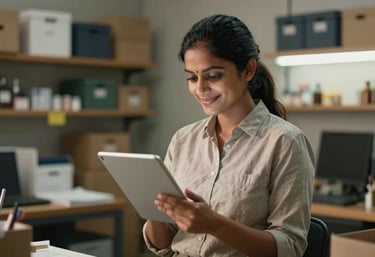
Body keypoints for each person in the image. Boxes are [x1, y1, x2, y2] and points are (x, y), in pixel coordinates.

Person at [143, 14, 315, 257]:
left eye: (213, 76)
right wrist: (153, 208)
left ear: (248, 70)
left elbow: (290, 247)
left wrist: (215, 225)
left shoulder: (285, 142)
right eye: (192, 77)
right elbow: (163, 243)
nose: (200, 88)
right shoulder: (183, 140)